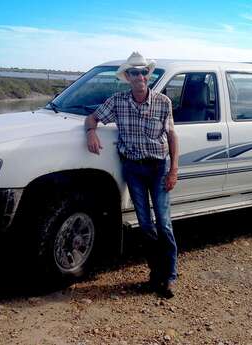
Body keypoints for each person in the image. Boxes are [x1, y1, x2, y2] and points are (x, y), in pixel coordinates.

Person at [84, 52, 179, 298]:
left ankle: (169, 276)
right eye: (134, 72)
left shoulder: (163, 102)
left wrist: (174, 170)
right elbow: (91, 119)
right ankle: (155, 274)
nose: (139, 76)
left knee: (164, 224)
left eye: (143, 71)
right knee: (145, 225)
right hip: (133, 170)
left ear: (149, 74)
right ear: (127, 77)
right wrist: (91, 133)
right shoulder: (117, 101)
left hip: (159, 168)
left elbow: (171, 136)